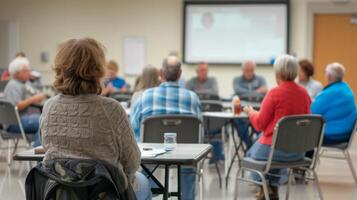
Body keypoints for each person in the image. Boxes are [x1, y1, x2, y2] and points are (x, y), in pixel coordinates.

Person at [39, 38, 151, 200]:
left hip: (60, 192)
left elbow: (46, 146)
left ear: (60, 69)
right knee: (143, 182)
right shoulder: (111, 109)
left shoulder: (49, 107)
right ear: (98, 69)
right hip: (104, 193)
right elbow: (133, 162)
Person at [130, 56, 201, 200]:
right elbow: (200, 131)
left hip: (150, 160)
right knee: (188, 169)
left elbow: (132, 128)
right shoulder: (193, 98)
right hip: (185, 158)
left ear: (161, 73)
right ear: (180, 74)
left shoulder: (144, 97)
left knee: (144, 169)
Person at [243, 55, 311, 200]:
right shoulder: (305, 93)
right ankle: (272, 187)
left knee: (251, 153)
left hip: (275, 150)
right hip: (298, 151)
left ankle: (264, 186)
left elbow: (259, 124)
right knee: (267, 144)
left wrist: (250, 112)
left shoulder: (274, 93)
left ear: (278, 73)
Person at [4, 57, 46, 147]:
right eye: (27, 70)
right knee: (44, 122)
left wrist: (36, 97)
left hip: (23, 120)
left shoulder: (24, 83)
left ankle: (37, 148)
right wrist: (34, 99)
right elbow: (16, 106)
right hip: (14, 123)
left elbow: (33, 94)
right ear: (18, 73)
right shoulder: (13, 85)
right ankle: (36, 153)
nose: (29, 73)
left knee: (43, 122)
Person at [311, 62, 357, 145]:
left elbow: (311, 111)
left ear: (329, 76)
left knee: (303, 136)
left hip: (331, 135)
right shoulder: (347, 90)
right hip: (347, 134)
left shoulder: (329, 93)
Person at [232, 61, 268, 149]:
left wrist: (246, 93)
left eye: (251, 70)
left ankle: (257, 146)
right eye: (247, 70)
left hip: (258, 110)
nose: (249, 72)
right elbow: (238, 91)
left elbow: (265, 91)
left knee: (262, 126)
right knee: (238, 123)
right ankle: (250, 146)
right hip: (242, 111)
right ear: (242, 70)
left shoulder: (261, 79)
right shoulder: (236, 80)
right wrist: (257, 91)